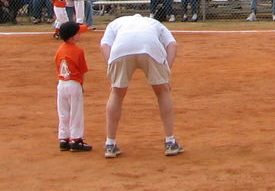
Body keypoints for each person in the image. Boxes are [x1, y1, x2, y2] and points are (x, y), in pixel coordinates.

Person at [100, 14, 182, 158]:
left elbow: (104, 46)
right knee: (162, 92)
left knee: (116, 93)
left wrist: (111, 71)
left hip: (121, 49)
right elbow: (172, 45)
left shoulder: (115, 24)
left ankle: (110, 144)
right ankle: (170, 141)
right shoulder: (154, 23)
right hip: (150, 46)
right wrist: (166, 74)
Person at [53, 20, 92, 152]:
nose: (80, 35)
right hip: (74, 83)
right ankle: (76, 140)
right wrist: (81, 85)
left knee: (63, 112)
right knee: (76, 112)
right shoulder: (78, 51)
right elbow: (81, 71)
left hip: (61, 83)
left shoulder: (59, 50)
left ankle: (64, 139)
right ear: (72, 36)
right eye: (78, 33)